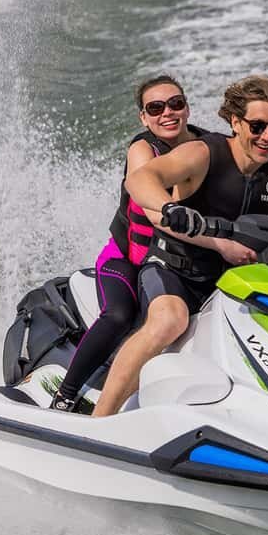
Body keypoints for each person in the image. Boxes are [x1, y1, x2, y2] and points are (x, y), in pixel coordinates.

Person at [91, 74, 268, 417]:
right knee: (169, 321)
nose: (267, 136)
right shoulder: (203, 154)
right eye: (257, 126)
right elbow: (141, 179)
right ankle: (99, 419)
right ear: (236, 122)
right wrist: (170, 208)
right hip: (174, 269)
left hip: (231, 281)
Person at [50, 74, 206, 412]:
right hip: (127, 261)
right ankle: (65, 394)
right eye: (156, 108)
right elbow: (153, 206)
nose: (167, 113)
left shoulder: (206, 148)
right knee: (119, 316)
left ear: (187, 108)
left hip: (175, 264)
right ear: (144, 118)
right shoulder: (142, 149)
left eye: (175, 104)